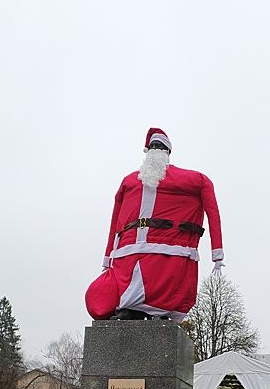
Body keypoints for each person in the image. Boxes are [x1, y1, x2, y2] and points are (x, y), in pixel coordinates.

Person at [85, 127, 224, 321]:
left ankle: (155, 312)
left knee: (160, 284)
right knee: (130, 286)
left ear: (166, 152)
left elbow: (212, 209)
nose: (156, 149)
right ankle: (136, 310)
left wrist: (217, 252)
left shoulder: (194, 180)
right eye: (153, 146)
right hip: (132, 253)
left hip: (170, 249)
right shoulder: (129, 182)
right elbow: (115, 221)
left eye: (159, 146)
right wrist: (108, 258)